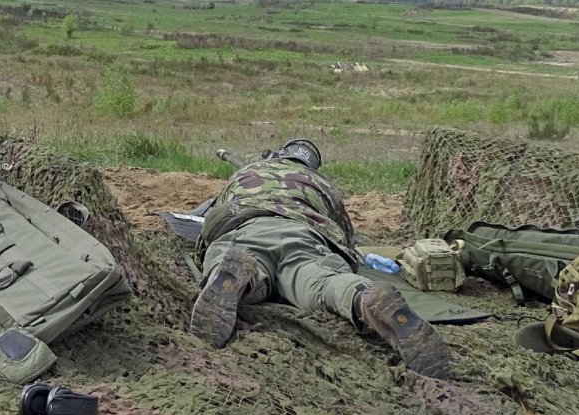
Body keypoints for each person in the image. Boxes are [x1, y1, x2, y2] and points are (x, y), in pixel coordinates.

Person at [191, 138, 453, 379]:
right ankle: (362, 297)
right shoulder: (324, 185)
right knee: (324, 284)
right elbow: (346, 238)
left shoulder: (246, 173)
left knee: (243, 265)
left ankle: (232, 278)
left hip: (249, 228)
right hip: (306, 236)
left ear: (278, 154)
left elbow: (213, 215)